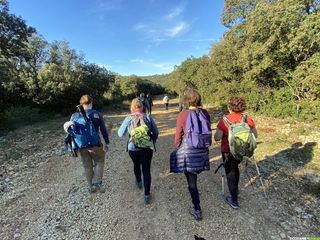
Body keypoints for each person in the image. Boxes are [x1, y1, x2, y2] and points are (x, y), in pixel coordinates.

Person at [170, 88, 211, 220]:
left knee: (191, 181)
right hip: (202, 150)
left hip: (188, 151)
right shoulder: (205, 113)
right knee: (195, 176)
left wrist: (178, 149)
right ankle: (196, 202)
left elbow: (178, 137)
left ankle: (197, 209)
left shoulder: (183, 115)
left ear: (186, 101)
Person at [214, 96, 258, 209]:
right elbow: (255, 135)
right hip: (243, 151)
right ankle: (235, 191)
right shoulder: (246, 118)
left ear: (229, 107)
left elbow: (217, 138)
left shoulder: (225, 120)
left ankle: (234, 201)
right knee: (236, 169)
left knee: (231, 173)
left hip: (228, 152)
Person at [64, 95, 109, 193]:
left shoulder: (74, 116)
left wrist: (73, 148)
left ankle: (91, 186)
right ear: (91, 103)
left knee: (87, 166)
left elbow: (71, 132)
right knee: (99, 161)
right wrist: (106, 142)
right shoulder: (97, 114)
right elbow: (103, 130)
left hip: (81, 145)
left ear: (81, 104)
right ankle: (97, 182)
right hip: (95, 144)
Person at [118, 98, 158, 204]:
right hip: (146, 148)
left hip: (133, 148)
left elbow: (120, 133)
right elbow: (156, 132)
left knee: (136, 165)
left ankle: (139, 182)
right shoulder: (148, 117)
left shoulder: (128, 118)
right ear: (142, 107)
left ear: (132, 107)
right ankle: (147, 195)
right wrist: (151, 141)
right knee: (146, 170)